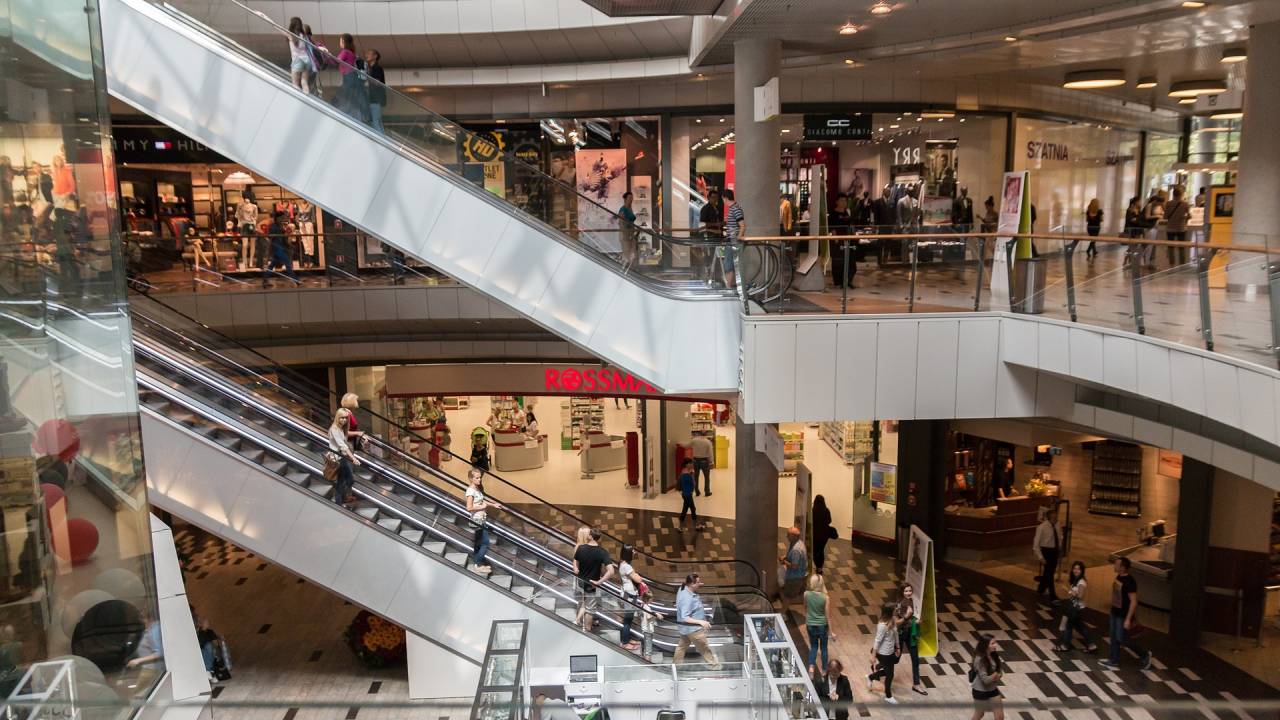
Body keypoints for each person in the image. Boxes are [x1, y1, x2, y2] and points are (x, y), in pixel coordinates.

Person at [1102, 556, 1151, 670]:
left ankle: (1144, 654)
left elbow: (1134, 602)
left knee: (1122, 639)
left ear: (1123, 568)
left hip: (1122, 615)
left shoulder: (1130, 582)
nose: (1114, 566)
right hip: (1115, 612)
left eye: (1117, 564)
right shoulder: (1119, 576)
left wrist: (1128, 619)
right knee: (1114, 636)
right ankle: (1114, 659)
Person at [674, 573, 721, 669]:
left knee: (681, 647)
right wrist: (701, 622)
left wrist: (698, 583)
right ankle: (714, 666)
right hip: (694, 629)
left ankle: (676, 667)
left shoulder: (683, 588)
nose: (700, 584)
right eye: (698, 583)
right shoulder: (687, 598)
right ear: (691, 584)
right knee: (704, 647)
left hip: (685, 629)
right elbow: (685, 617)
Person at [572, 528, 614, 633]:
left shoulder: (580, 548)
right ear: (598, 539)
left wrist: (577, 569)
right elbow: (611, 571)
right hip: (591, 585)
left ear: (590, 536)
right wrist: (599, 582)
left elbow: (576, 562)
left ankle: (579, 622)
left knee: (583, 602)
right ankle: (587, 630)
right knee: (590, 609)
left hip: (580, 582)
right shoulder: (603, 552)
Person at [1054, 560, 1098, 653]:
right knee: (1080, 627)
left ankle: (1065, 645)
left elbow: (1080, 595)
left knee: (1069, 625)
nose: (1076, 570)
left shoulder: (1081, 582)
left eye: (1078, 569)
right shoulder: (1076, 580)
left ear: (1082, 571)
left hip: (1076, 608)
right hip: (1076, 607)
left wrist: (1070, 591)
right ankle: (1092, 645)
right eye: (1074, 568)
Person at [466, 468, 501, 574]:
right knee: (485, 543)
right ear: (471, 479)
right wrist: (482, 507)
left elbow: (482, 500)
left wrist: (492, 504)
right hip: (477, 520)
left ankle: (478, 564)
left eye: (480, 477)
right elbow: (469, 507)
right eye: (477, 478)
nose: (479, 479)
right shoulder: (470, 491)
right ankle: (478, 563)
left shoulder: (476, 489)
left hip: (481, 518)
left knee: (479, 542)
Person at [896, 584, 926, 695]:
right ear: (901, 592)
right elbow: (897, 622)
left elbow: (912, 617)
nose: (908, 593)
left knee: (915, 659)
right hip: (900, 634)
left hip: (910, 634)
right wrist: (909, 617)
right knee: (895, 659)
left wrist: (916, 620)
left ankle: (916, 684)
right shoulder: (899, 605)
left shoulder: (911, 601)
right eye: (906, 591)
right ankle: (876, 671)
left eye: (910, 591)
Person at [866, 604, 899, 704]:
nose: (896, 610)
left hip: (890, 652)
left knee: (888, 672)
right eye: (895, 609)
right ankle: (888, 696)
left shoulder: (892, 621)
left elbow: (896, 634)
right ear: (890, 612)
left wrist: (898, 647)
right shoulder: (882, 625)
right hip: (883, 653)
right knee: (890, 674)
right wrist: (873, 655)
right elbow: (877, 640)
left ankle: (871, 677)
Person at [333, 33, 369, 122]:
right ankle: (356, 117)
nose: (340, 43)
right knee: (351, 98)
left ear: (344, 42)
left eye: (341, 41)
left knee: (343, 97)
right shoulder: (352, 53)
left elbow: (337, 60)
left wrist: (327, 54)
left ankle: (342, 115)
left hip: (348, 77)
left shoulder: (345, 51)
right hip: (353, 77)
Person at [328, 407, 360, 505]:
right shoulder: (334, 429)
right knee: (347, 480)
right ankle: (339, 501)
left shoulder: (341, 428)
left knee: (343, 480)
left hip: (343, 457)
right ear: (337, 417)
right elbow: (343, 446)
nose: (344, 420)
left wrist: (349, 414)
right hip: (338, 458)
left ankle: (342, 499)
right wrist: (353, 458)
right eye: (341, 418)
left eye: (346, 418)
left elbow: (346, 438)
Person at [969, 635, 1004, 720]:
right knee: (979, 715)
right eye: (992, 643)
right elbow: (986, 680)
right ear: (985, 645)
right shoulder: (979, 659)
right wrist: (995, 675)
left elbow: (1000, 672)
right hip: (980, 691)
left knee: (1000, 717)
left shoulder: (993, 655)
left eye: (995, 643)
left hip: (992, 689)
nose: (995, 645)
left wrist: (997, 675)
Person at [617, 545, 644, 650]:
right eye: (632, 551)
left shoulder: (622, 563)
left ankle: (627, 639)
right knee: (627, 620)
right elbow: (638, 580)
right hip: (630, 595)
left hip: (628, 593)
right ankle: (624, 642)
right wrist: (637, 574)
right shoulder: (627, 567)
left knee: (629, 619)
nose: (634, 552)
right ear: (628, 553)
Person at [1033, 506, 1061, 600]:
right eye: (1054, 518)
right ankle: (1053, 595)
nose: (1056, 519)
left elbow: (1059, 537)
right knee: (1049, 574)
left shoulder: (1057, 525)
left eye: (1056, 517)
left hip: (1054, 551)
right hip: (1046, 552)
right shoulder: (1041, 528)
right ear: (1049, 518)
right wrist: (1041, 557)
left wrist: (1059, 548)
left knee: (1049, 572)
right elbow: (1036, 545)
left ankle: (1041, 589)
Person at [263, 212, 298, 285]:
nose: (283, 219)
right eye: (281, 217)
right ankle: (296, 280)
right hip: (277, 248)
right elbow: (271, 238)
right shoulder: (273, 226)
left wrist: (289, 245)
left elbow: (283, 239)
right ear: (277, 218)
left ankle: (265, 280)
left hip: (279, 248)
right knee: (287, 263)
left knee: (272, 265)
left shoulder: (280, 226)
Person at [804, 574, 831, 670]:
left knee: (813, 646)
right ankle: (824, 670)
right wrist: (831, 631)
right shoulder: (825, 597)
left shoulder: (806, 594)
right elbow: (827, 615)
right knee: (823, 648)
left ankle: (811, 666)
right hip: (822, 625)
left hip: (810, 624)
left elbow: (805, 607)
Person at [829, 194, 856, 289]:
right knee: (838, 262)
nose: (844, 202)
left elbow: (851, 225)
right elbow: (832, 228)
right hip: (838, 241)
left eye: (845, 201)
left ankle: (848, 280)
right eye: (842, 200)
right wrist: (835, 238)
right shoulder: (833, 214)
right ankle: (838, 282)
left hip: (848, 240)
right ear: (837, 202)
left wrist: (854, 235)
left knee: (850, 262)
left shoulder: (847, 212)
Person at [721, 188, 744, 289]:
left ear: (725, 198)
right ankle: (729, 286)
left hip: (732, 241)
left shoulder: (735, 209)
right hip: (731, 240)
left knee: (728, 264)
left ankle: (728, 287)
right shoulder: (734, 208)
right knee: (730, 264)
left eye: (723, 199)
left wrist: (738, 238)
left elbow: (742, 225)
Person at [1164, 186, 1191, 266]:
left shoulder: (1168, 203)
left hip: (1170, 228)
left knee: (1171, 247)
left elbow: (1165, 217)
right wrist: (1185, 217)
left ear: (1173, 194)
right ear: (1181, 194)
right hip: (1181, 228)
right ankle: (1181, 264)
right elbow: (1188, 216)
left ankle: (1172, 264)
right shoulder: (1185, 204)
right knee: (1181, 247)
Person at [780, 526, 807, 604]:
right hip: (801, 575)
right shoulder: (798, 542)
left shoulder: (796, 549)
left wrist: (784, 561)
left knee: (787, 597)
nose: (787, 536)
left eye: (788, 535)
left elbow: (794, 566)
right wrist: (785, 556)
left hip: (794, 577)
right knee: (795, 594)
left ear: (795, 536)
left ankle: (782, 612)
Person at [286, 17, 313, 93]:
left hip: (297, 61)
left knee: (295, 84)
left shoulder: (291, 35)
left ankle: (300, 101)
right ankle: (307, 98)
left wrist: (264, 16)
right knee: (304, 82)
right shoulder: (304, 35)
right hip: (307, 60)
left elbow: (276, 27)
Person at [678, 458, 705, 530]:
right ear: (687, 465)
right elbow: (683, 484)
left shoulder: (688, 472)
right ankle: (697, 525)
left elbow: (692, 482)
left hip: (687, 494)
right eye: (691, 463)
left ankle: (680, 526)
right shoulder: (685, 474)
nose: (693, 465)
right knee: (693, 508)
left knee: (685, 509)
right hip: (687, 494)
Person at [364, 49, 386, 133]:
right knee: (376, 121)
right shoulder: (371, 69)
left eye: (369, 53)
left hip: (375, 99)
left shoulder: (376, 68)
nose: (366, 55)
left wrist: (366, 78)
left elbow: (377, 82)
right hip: (373, 99)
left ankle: (380, 140)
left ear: (375, 56)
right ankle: (382, 139)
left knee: (375, 121)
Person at [638, 587, 661, 661]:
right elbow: (648, 617)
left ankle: (646, 660)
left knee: (647, 647)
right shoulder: (647, 607)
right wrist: (656, 615)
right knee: (648, 649)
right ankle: (648, 664)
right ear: (648, 599)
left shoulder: (642, 605)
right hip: (648, 630)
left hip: (645, 628)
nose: (652, 599)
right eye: (651, 598)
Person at [812, 495, 833, 573]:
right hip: (824, 535)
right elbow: (829, 521)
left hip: (815, 534)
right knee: (821, 551)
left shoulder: (813, 511)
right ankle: (820, 568)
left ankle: (816, 565)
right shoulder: (826, 510)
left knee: (814, 550)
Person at [236, 197, 259, 268]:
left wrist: (253, 220)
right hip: (244, 225)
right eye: (245, 197)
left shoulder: (254, 206)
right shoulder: (241, 206)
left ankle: (251, 261)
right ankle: (244, 261)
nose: (246, 199)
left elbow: (256, 216)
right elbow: (237, 216)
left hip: (252, 225)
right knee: (244, 245)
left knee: (253, 245)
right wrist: (238, 208)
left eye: (248, 197)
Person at [617, 191, 637, 268]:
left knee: (632, 253)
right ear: (625, 199)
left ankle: (631, 270)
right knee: (627, 254)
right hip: (625, 235)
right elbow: (621, 223)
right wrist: (627, 235)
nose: (631, 199)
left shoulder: (630, 208)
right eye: (629, 198)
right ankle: (625, 271)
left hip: (631, 234)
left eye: (632, 198)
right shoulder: (623, 209)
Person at [297, 199, 317, 267]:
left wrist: (313, 223)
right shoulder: (299, 206)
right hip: (301, 223)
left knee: (310, 239)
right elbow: (298, 215)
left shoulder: (311, 206)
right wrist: (298, 221)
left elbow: (313, 216)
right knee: (304, 239)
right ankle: (307, 253)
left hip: (308, 222)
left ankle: (311, 256)